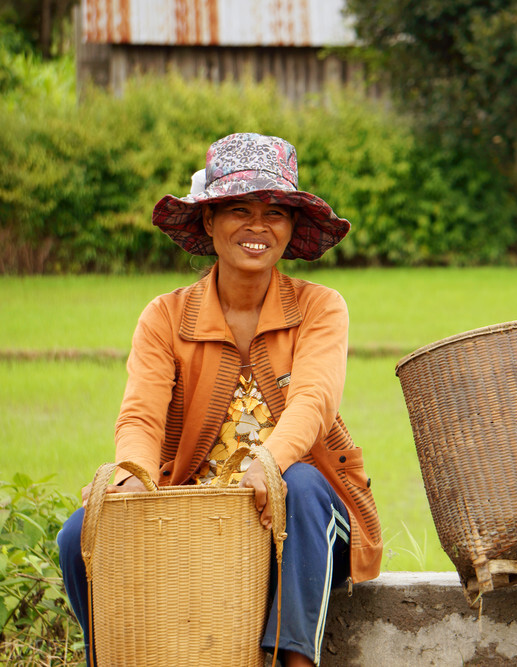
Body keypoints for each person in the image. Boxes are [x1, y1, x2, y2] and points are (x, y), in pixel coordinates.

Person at [57, 133, 383, 666]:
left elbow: (314, 402)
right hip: (195, 518)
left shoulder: (320, 307)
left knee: (299, 482)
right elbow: (140, 414)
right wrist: (134, 472)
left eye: (276, 211)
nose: (259, 226)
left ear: (293, 226)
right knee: (79, 533)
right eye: (239, 209)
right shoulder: (164, 316)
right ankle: (120, 653)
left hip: (308, 519)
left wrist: (270, 461)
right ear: (208, 221)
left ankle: (292, 662)